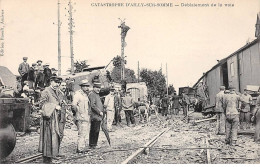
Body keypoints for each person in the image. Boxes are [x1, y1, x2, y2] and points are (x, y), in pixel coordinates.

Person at [36, 76, 63, 163]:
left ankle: (52, 156)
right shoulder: (46, 91)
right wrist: (54, 106)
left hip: (56, 118)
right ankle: (47, 159)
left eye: (58, 83)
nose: (57, 84)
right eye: (55, 82)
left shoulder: (58, 91)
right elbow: (42, 105)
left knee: (55, 137)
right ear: (51, 81)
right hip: (48, 118)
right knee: (48, 138)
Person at [72, 80, 91, 153]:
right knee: (81, 133)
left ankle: (81, 147)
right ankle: (80, 148)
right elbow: (73, 105)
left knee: (84, 132)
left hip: (85, 116)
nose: (87, 88)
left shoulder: (85, 95)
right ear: (81, 87)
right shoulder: (77, 94)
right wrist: (77, 114)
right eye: (85, 86)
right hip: (80, 117)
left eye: (87, 86)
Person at [88, 81, 104, 149]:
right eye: (97, 87)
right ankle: (92, 144)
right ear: (93, 87)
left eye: (99, 88)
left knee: (96, 130)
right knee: (94, 130)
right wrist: (99, 112)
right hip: (95, 116)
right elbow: (92, 105)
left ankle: (94, 144)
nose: (98, 89)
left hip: (98, 116)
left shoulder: (96, 94)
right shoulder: (92, 94)